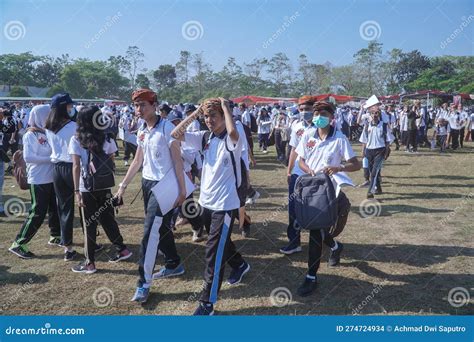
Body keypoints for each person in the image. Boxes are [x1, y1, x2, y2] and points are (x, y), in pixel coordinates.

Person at [172, 97, 251, 316]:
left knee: (213, 251)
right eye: (206, 117)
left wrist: (226, 108)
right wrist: (196, 113)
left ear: (223, 117)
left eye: (212, 116)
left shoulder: (232, 139)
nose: (209, 120)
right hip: (205, 201)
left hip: (225, 203)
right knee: (220, 243)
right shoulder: (205, 137)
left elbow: (234, 133)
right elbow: (175, 135)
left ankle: (207, 302)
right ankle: (240, 264)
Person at [115, 89, 186, 303]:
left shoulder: (168, 128)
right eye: (136, 105)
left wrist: (182, 190)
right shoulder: (142, 130)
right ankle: (174, 263)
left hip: (165, 185)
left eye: (143, 105)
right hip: (147, 183)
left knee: (149, 233)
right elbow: (137, 160)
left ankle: (143, 283)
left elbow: (177, 161)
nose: (138, 109)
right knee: (161, 228)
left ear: (155, 105)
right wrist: (123, 186)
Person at [296, 101, 360, 297]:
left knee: (315, 231)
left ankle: (311, 276)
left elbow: (356, 164)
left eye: (322, 113)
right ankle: (335, 246)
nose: (317, 117)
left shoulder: (339, 139)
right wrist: (310, 171)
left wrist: (339, 168)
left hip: (330, 191)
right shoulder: (308, 134)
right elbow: (301, 159)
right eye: (315, 113)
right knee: (319, 229)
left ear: (332, 117)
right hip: (310, 188)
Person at [69, 106, 132, 274]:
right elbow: (111, 161)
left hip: (87, 187)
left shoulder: (76, 139)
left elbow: (76, 166)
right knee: (107, 219)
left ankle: (90, 263)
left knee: (89, 224)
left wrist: (76, 192)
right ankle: (122, 249)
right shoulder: (107, 137)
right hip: (104, 186)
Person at [8, 104, 61, 259]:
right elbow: (29, 157)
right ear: (39, 117)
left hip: (51, 178)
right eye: (47, 115)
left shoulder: (47, 132)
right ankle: (18, 243)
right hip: (38, 179)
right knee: (37, 212)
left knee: (54, 208)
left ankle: (56, 235)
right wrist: (51, 159)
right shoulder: (30, 135)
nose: (50, 117)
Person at [279, 95, 316, 255]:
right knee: (293, 209)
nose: (304, 112)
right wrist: (289, 170)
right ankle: (294, 242)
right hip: (296, 174)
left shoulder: (320, 127)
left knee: (315, 208)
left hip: (314, 174)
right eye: (301, 109)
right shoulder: (296, 126)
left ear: (314, 109)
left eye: (307, 109)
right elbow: (293, 149)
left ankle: (319, 241)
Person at [44, 93, 79, 261]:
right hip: (72, 167)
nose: (71, 108)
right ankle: (90, 241)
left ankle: (68, 247)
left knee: (64, 208)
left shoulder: (48, 126)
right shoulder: (73, 126)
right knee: (85, 204)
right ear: (64, 107)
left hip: (57, 169)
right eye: (69, 106)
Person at [359, 109, 392, 198]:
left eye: (376, 113)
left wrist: (386, 151)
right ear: (370, 115)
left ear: (379, 114)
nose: (374, 115)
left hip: (380, 151)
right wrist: (363, 151)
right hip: (369, 151)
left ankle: (370, 192)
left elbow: (388, 140)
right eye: (372, 113)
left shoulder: (384, 126)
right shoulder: (366, 126)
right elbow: (364, 140)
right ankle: (379, 188)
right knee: (371, 171)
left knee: (374, 172)